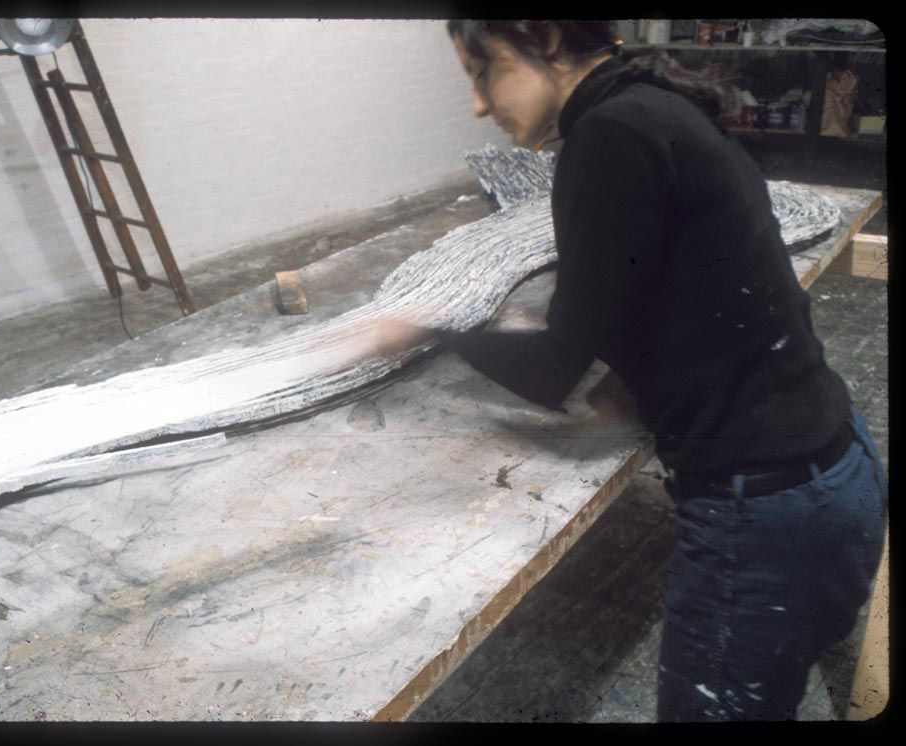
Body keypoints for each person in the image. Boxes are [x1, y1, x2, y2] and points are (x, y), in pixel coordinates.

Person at [359, 20, 887, 721]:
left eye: (483, 72)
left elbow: (555, 366)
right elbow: (673, 283)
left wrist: (428, 327)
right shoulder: (654, 107)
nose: (479, 105)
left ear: (546, 40)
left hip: (764, 509)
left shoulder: (609, 137)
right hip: (834, 461)